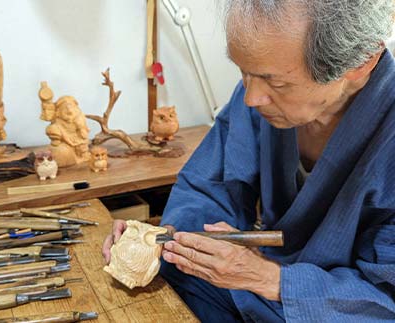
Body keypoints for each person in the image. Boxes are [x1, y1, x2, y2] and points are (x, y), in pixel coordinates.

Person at [103, 1, 395, 321]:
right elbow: (210, 186)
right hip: (261, 278)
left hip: (336, 306)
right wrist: (170, 239)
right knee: (170, 278)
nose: (250, 98)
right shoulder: (260, 94)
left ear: (361, 64)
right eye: (243, 71)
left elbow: (383, 298)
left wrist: (270, 279)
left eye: (277, 83)